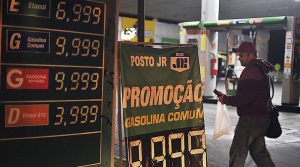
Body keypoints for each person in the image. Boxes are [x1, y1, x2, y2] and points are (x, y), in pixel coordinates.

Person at [218, 41, 275, 167]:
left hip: (250, 119)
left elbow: (245, 97)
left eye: (241, 55)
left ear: (249, 55)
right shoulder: (262, 69)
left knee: (237, 152)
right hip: (262, 117)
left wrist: (226, 99)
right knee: (259, 153)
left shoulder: (250, 71)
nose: (239, 58)